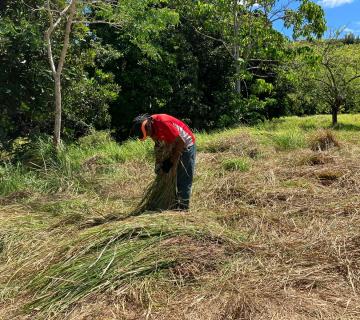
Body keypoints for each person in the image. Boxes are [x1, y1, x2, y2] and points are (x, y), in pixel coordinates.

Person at [131, 114, 196, 211]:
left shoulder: (163, 123)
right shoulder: (152, 127)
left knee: (183, 179)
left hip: (186, 146)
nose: (149, 136)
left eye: (147, 134)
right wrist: (159, 165)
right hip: (174, 144)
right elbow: (158, 146)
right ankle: (172, 205)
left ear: (148, 126)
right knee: (171, 179)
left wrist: (170, 162)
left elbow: (181, 143)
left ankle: (183, 209)